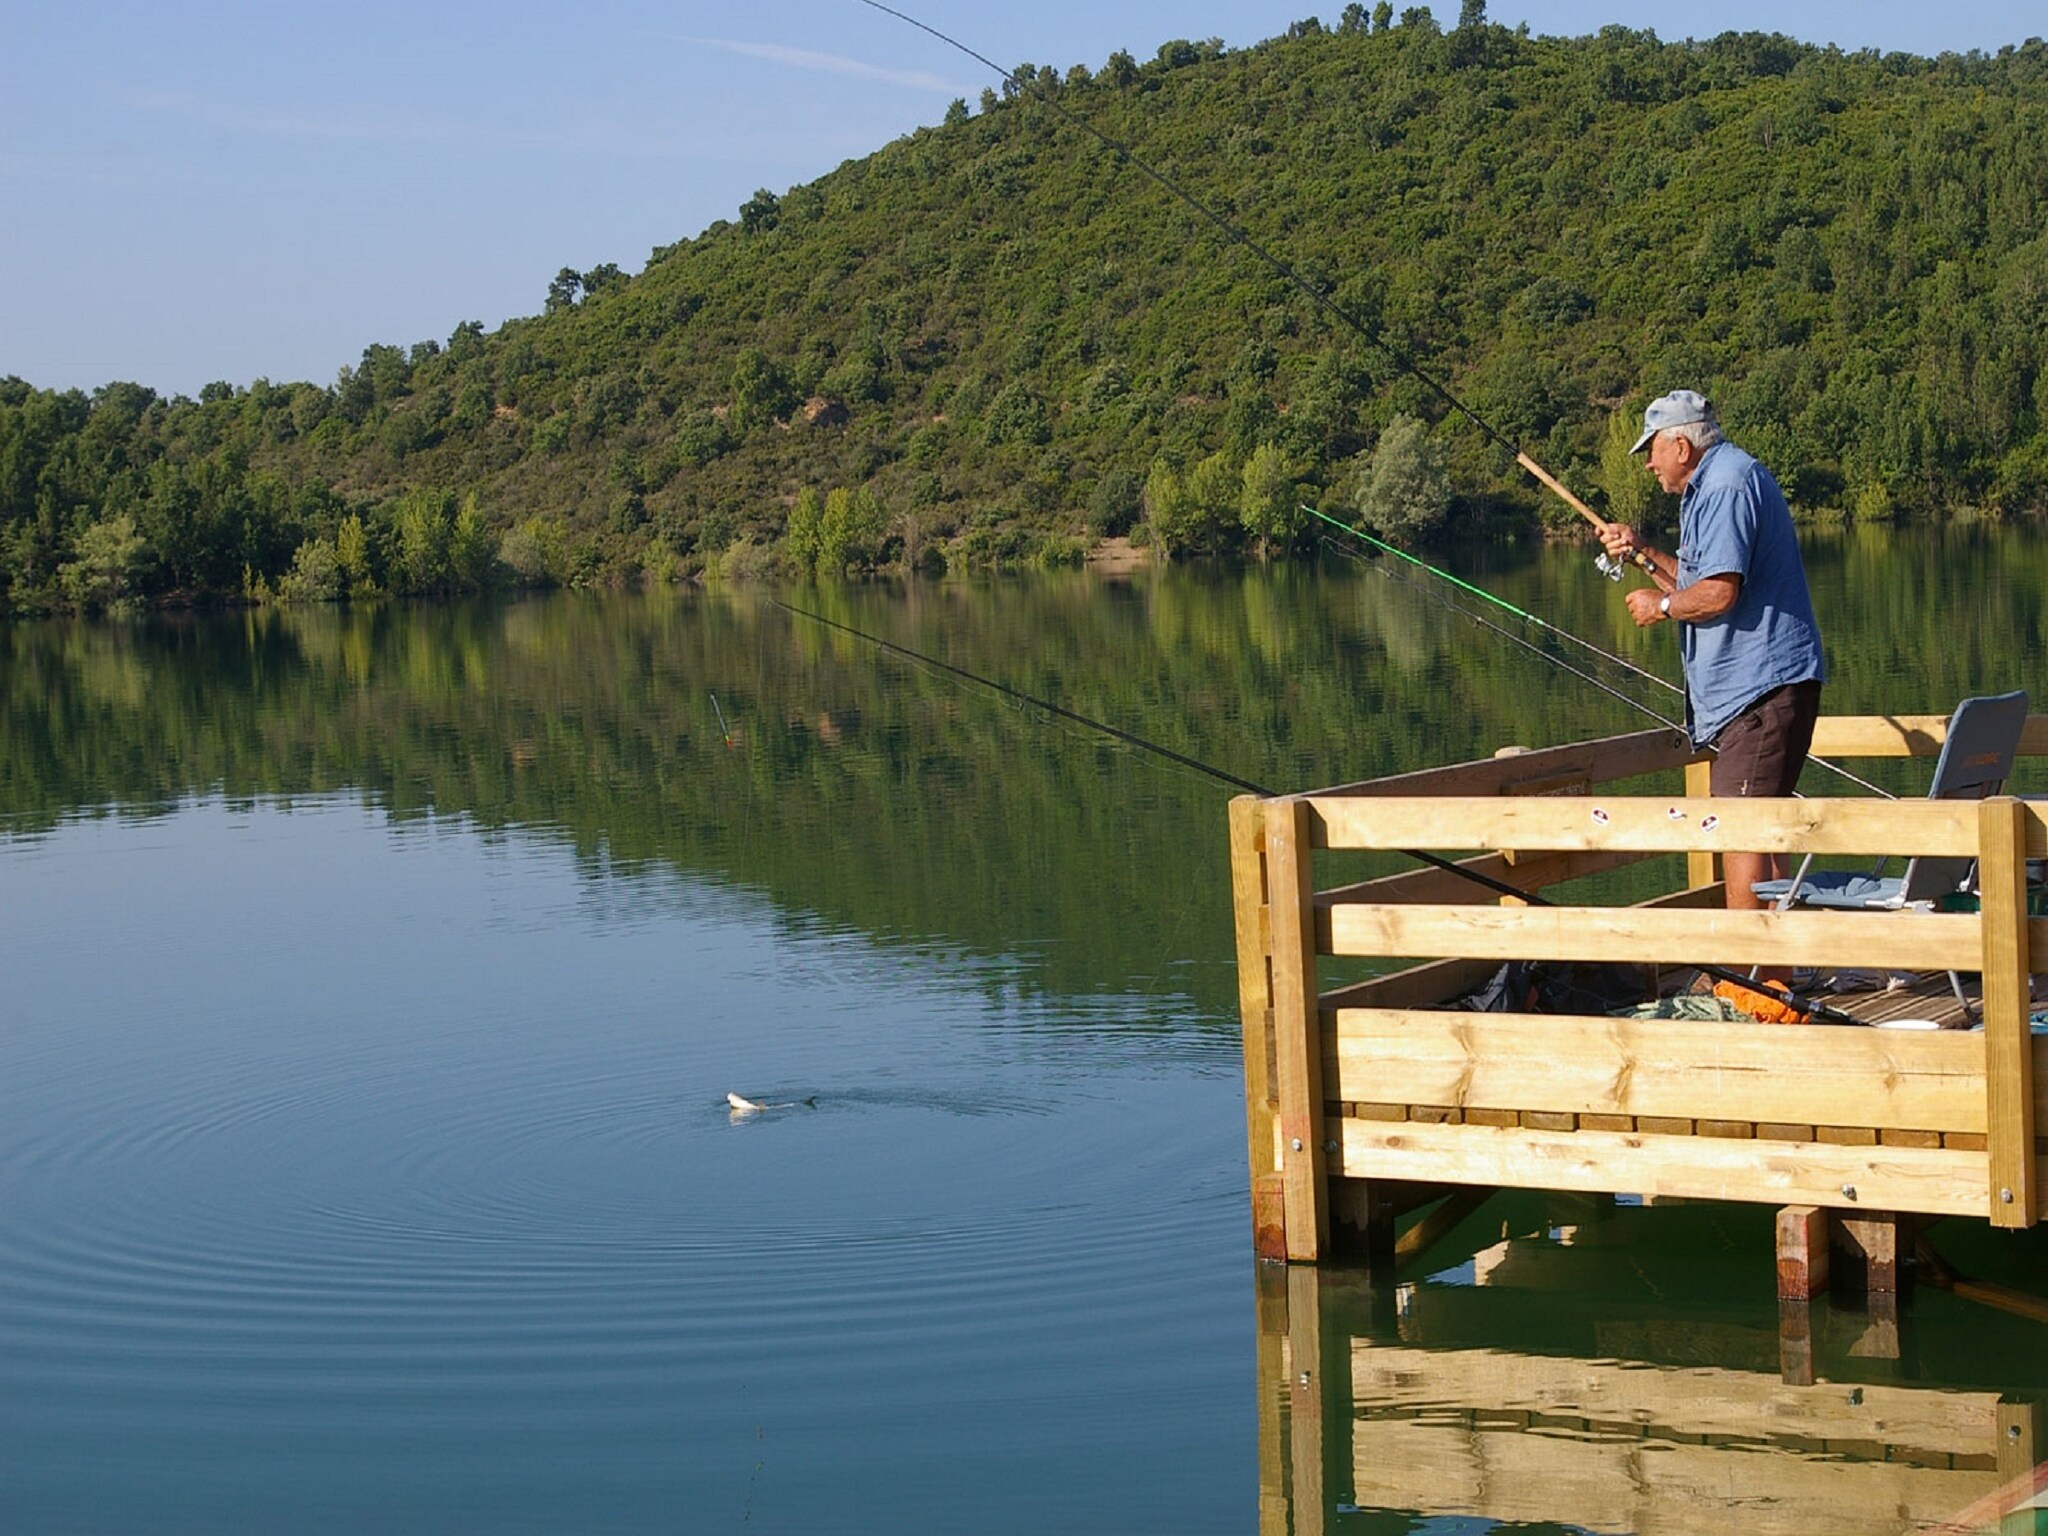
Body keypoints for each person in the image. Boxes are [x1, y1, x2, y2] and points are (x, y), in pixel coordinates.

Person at [1599, 390, 1825, 913]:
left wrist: (1661, 607)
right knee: (1763, 824)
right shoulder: (1718, 482)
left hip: (1759, 691)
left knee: (1740, 826)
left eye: (1652, 449)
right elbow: (1701, 580)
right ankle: (1772, 972)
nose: (1649, 463)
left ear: (1681, 445)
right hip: (1768, 688)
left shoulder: (1725, 485)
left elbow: (1719, 594)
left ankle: (1747, 974)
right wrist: (1641, 555)